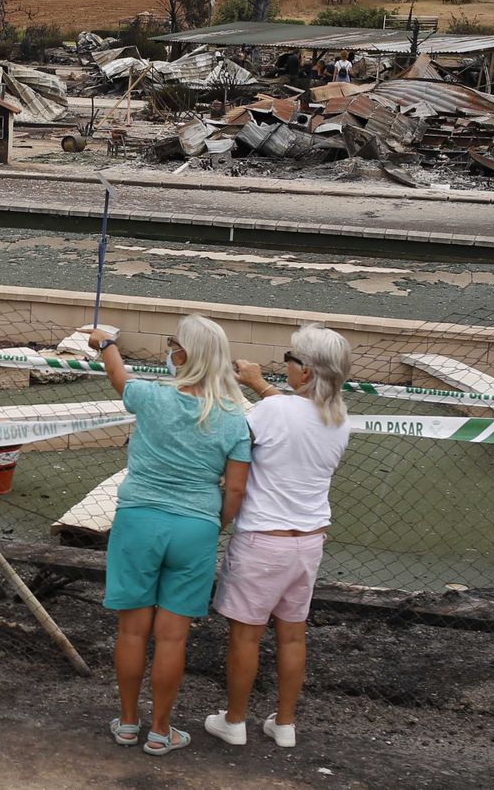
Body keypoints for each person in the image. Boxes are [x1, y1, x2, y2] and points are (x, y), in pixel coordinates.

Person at [87, 317, 251, 756]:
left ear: (184, 355)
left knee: (132, 632)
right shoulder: (234, 418)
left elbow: (118, 378)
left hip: (138, 518)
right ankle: (161, 730)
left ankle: (126, 722)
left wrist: (105, 344)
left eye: (173, 343)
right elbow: (236, 487)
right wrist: (215, 523)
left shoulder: (152, 397)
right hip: (195, 525)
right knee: (174, 636)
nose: (169, 349)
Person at [205, 325, 353, 750]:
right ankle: (284, 723)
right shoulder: (340, 420)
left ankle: (235, 721)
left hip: (262, 540)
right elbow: (293, 416)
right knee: (292, 633)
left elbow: (235, 436)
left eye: (291, 358)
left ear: (305, 370)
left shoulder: (273, 411)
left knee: (246, 634)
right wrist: (261, 385)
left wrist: (244, 385)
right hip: (308, 542)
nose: (285, 364)